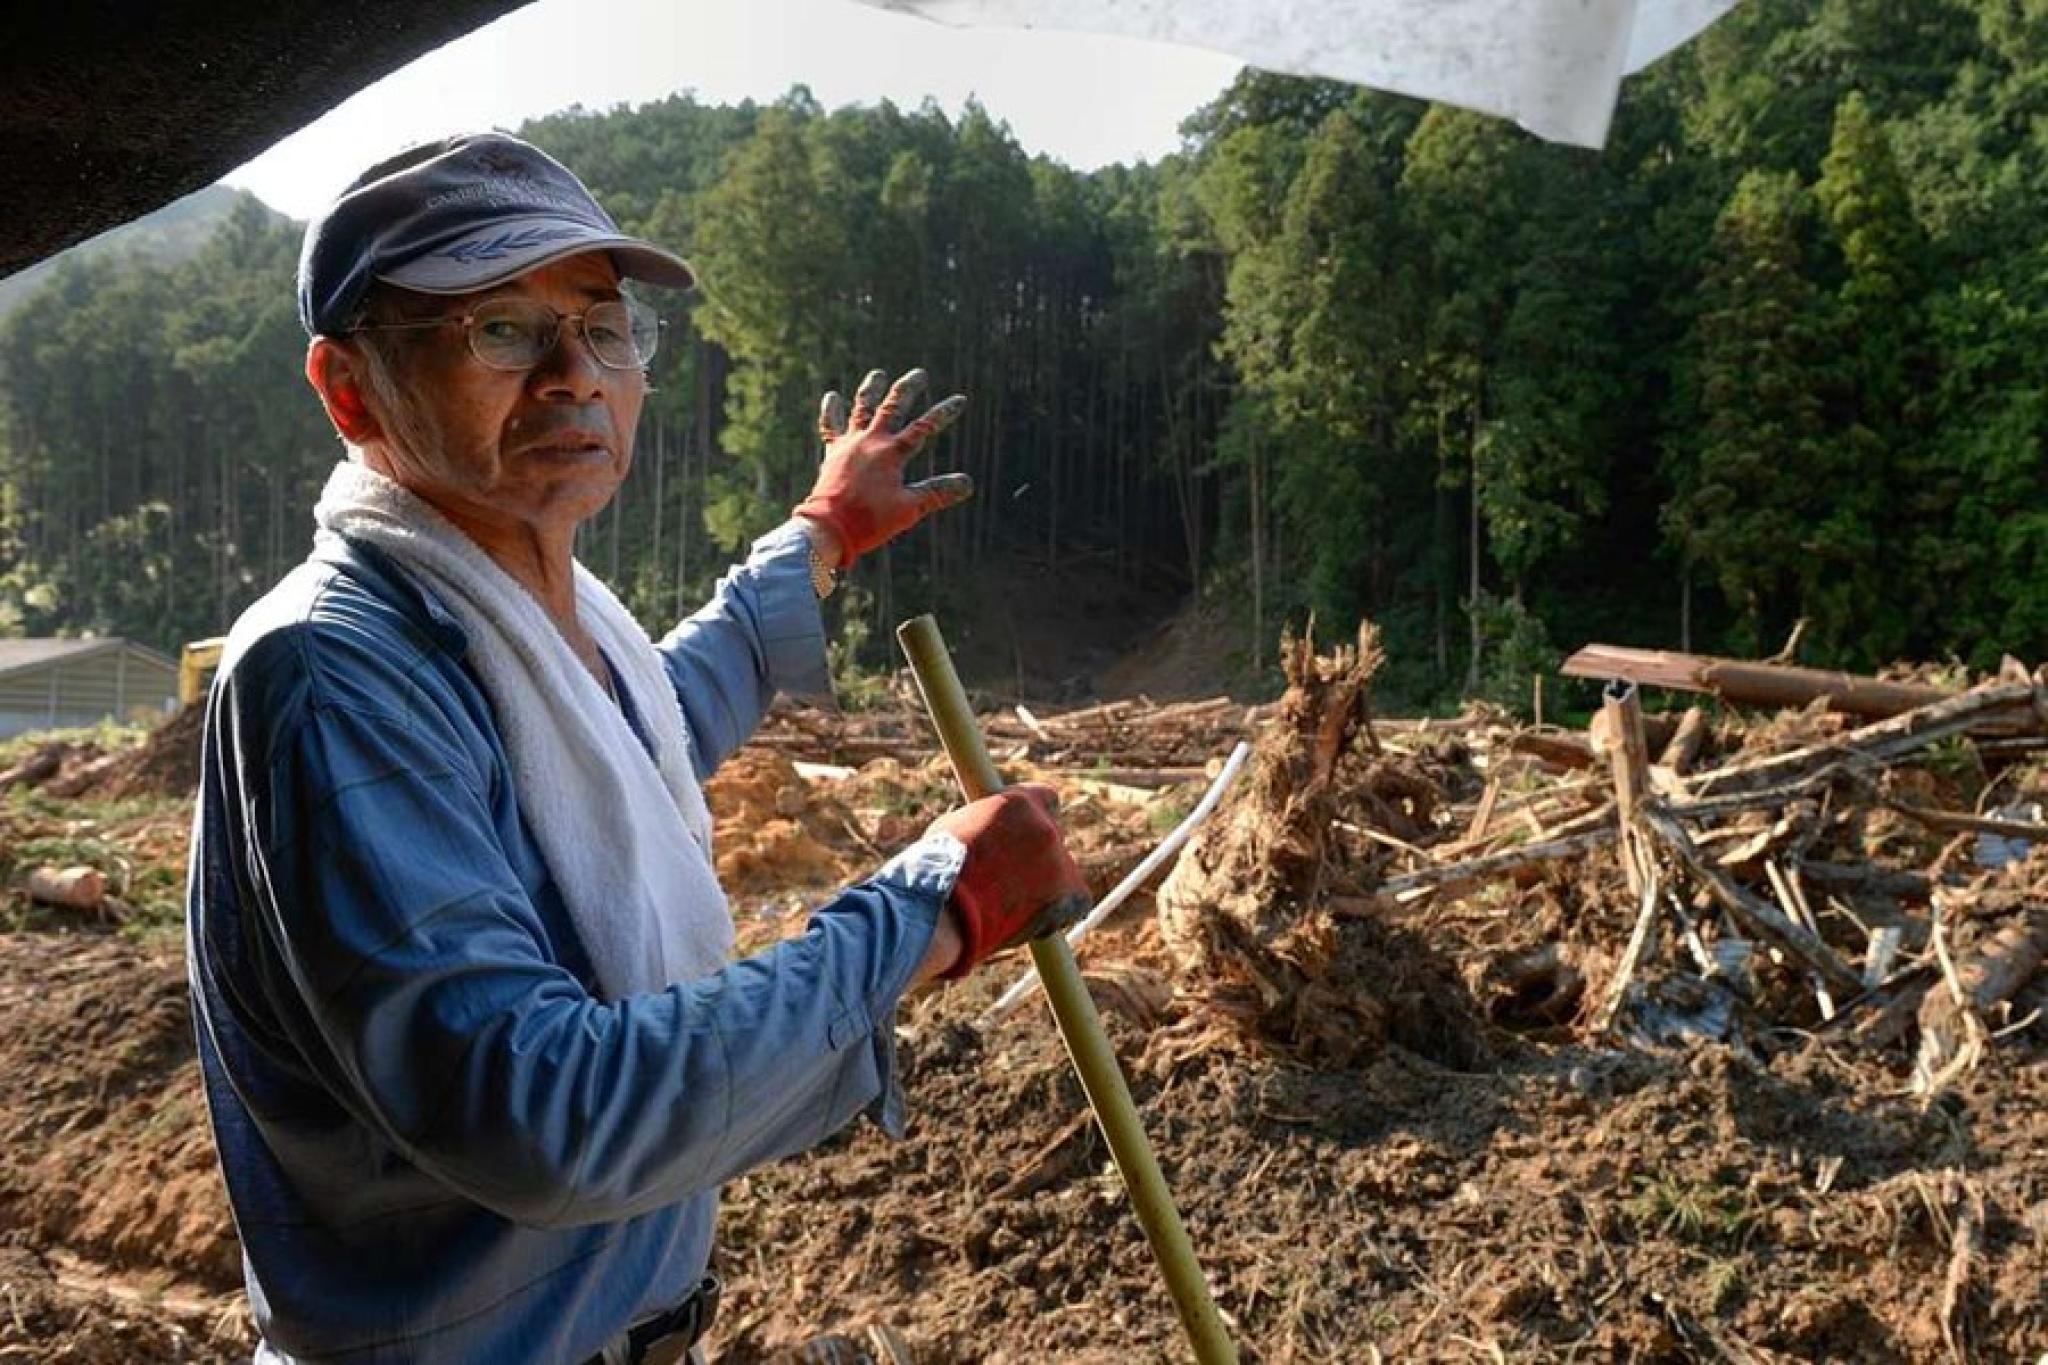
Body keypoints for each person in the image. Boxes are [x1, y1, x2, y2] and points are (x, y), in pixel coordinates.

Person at [186, 132, 1092, 1364]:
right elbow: (539, 1112)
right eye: (500, 330)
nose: (575, 375)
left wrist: (814, 540)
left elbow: (641, 728)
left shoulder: (515, 618)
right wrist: (931, 909)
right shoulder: (332, 673)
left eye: (603, 328)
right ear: (352, 391)